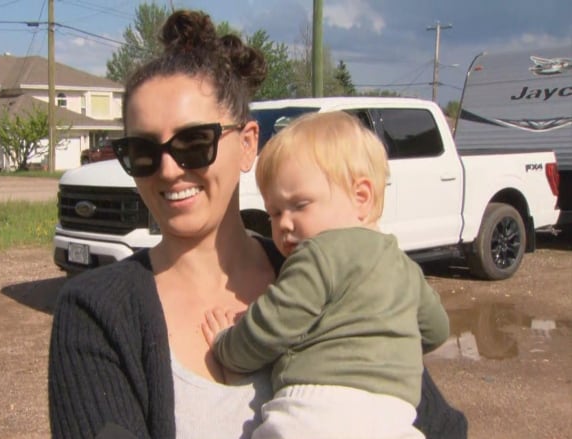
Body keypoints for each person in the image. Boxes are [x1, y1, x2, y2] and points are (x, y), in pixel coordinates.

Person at [48, 9, 467, 439]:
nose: (169, 170)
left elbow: (441, 426)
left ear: (248, 144)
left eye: (194, 142)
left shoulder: (340, 272)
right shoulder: (96, 312)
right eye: (142, 151)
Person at [202, 111, 450, 439]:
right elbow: (436, 329)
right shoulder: (403, 266)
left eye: (299, 205)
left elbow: (272, 325)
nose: (284, 223)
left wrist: (225, 345)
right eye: (274, 212)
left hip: (316, 413)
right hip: (397, 416)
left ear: (361, 197)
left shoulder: (319, 253)